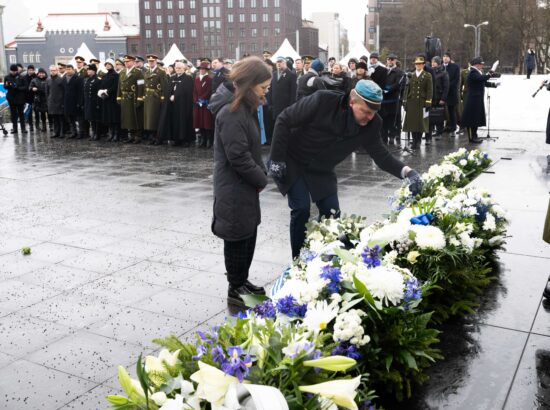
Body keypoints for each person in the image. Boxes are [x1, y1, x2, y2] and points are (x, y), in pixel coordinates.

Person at [268, 79, 423, 258]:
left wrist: (408, 172)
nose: (370, 117)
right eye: (365, 111)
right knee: (301, 208)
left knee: (332, 213)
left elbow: (381, 156)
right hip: (293, 159)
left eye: (373, 113)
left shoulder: (373, 124)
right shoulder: (322, 101)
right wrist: (277, 159)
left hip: (322, 169)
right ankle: (298, 261)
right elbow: (284, 119)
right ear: (351, 102)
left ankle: (320, 255)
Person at [208, 56, 271, 307]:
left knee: (247, 232)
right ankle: (236, 288)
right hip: (234, 187)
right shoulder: (231, 112)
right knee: (236, 236)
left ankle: (242, 281)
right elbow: (238, 156)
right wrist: (261, 178)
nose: (266, 93)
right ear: (248, 85)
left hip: (244, 185)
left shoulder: (244, 107)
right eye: (262, 88)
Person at [461, 56, 499, 144]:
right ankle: (471, 137)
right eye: (481, 64)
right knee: (471, 119)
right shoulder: (472, 72)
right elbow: (482, 79)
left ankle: (475, 135)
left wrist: (494, 84)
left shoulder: (477, 72)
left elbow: (483, 82)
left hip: (477, 99)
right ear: (477, 65)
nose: (482, 66)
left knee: (475, 118)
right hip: (472, 99)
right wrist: (491, 71)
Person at [403, 56, 433, 149]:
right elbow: (407, 89)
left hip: (422, 102)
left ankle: (418, 141)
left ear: (423, 65)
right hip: (412, 101)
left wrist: (428, 101)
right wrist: (405, 101)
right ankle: (414, 141)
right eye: (417, 64)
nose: (418, 65)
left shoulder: (427, 75)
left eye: (420, 64)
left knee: (420, 123)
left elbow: (429, 90)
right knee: (412, 123)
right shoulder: (411, 75)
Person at [117, 55, 145, 144]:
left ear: (133, 62)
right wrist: (118, 96)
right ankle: (131, 136)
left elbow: (141, 86)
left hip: (133, 97)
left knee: (135, 117)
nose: (126, 63)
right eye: (125, 62)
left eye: (128, 61)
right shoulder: (122, 72)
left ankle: (137, 136)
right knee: (127, 118)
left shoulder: (138, 72)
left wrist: (140, 99)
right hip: (125, 98)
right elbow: (119, 86)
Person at [143, 54, 169, 145]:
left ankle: (158, 138)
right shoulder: (146, 72)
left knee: (156, 118)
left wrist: (162, 97)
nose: (151, 63)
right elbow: (143, 85)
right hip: (148, 97)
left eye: (152, 61)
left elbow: (164, 86)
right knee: (149, 119)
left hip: (156, 97)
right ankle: (152, 136)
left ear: (156, 61)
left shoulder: (161, 72)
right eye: (149, 61)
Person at [168, 61, 195, 146]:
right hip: (174, 105)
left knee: (184, 121)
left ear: (184, 68)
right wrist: (170, 95)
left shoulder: (188, 78)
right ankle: (176, 139)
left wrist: (177, 96)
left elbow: (188, 91)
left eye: (180, 68)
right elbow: (169, 89)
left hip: (184, 105)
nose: (178, 69)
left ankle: (185, 140)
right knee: (175, 121)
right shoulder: (172, 78)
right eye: (176, 68)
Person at [380, 53, 404, 145]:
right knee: (384, 119)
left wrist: (388, 89)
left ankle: (392, 136)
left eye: (392, 59)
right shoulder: (384, 71)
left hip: (393, 99)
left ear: (395, 61)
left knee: (393, 119)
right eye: (388, 59)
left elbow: (398, 83)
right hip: (384, 99)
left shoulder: (399, 71)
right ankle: (384, 137)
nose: (390, 61)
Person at [98, 59, 121, 142]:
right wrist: (101, 91)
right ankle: (111, 133)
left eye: (109, 64)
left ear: (112, 65)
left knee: (114, 118)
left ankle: (116, 134)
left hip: (113, 99)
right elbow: (102, 85)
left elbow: (115, 87)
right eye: (106, 64)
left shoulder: (116, 75)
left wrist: (107, 91)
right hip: (106, 99)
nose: (107, 65)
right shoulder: (105, 75)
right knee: (108, 117)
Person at [270, 56, 297, 125]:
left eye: (280, 62)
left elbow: (293, 94)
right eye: (277, 62)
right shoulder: (274, 75)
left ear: (285, 63)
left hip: (285, 109)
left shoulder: (291, 75)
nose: (278, 64)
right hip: (275, 109)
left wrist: (290, 108)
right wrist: (270, 105)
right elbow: (270, 91)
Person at [193, 61, 214, 148]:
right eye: (200, 69)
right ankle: (203, 141)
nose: (201, 70)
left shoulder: (209, 79)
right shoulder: (196, 79)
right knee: (200, 123)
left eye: (203, 69)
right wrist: (196, 100)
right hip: (198, 105)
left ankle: (210, 141)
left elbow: (209, 91)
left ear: (206, 70)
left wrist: (202, 99)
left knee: (207, 123)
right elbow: (194, 91)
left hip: (206, 104)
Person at [4, 64, 28, 134]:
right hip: (11, 98)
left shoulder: (21, 77)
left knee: (21, 114)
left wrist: (17, 87)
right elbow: (5, 86)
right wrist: (9, 86)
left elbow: (25, 87)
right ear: (10, 70)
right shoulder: (7, 77)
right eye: (12, 71)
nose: (14, 72)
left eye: (15, 71)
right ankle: (15, 128)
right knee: (13, 114)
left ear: (17, 71)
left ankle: (23, 128)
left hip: (20, 98)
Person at [430, 56, 449, 139]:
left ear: (438, 63)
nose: (433, 63)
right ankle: (430, 133)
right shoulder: (430, 72)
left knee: (439, 116)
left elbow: (446, 87)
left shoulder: (443, 73)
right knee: (431, 115)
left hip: (439, 97)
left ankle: (439, 132)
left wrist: (443, 98)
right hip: (431, 97)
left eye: (434, 62)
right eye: (432, 62)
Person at [63, 64, 84, 139]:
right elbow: (63, 91)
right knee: (70, 119)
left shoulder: (78, 78)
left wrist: (80, 102)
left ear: (73, 69)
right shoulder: (64, 78)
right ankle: (74, 132)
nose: (68, 71)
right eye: (67, 69)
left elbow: (81, 92)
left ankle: (81, 132)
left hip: (76, 102)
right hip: (67, 102)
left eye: (69, 69)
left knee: (79, 118)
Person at [442, 51, 460, 136]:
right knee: (441, 112)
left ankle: (453, 128)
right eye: (444, 56)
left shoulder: (455, 67)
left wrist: (447, 87)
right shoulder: (440, 67)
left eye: (447, 56)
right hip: (441, 93)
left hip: (451, 92)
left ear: (450, 58)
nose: (445, 58)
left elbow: (456, 80)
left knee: (452, 111)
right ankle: (441, 128)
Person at [83, 64, 102, 140]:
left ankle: (97, 134)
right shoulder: (87, 79)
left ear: (94, 71)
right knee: (91, 119)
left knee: (96, 119)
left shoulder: (98, 80)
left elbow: (99, 92)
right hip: (88, 102)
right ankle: (93, 133)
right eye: (87, 70)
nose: (88, 71)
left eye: (90, 70)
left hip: (95, 102)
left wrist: (98, 103)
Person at [46, 65, 65, 138]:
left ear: (57, 71)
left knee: (61, 119)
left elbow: (64, 91)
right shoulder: (48, 80)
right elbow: (47, 91)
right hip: (51, 102)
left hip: (59, 102)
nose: (52, 72)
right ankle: (56, 132)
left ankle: (62, 132)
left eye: (54, 70)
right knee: (55, 119)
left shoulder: (61, 79)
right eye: (51, 70)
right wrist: (48, 101)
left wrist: (63, 102)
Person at [24, 65, 36, 131]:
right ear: (27, 70)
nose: (31, 71)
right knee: (29, 112)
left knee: (37, 111)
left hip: (36, 96)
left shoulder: (36, 76)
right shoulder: (24, 77)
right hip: (28, 97)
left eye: (32, 70)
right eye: (29, 70)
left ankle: (37, 124)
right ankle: (31, 125)